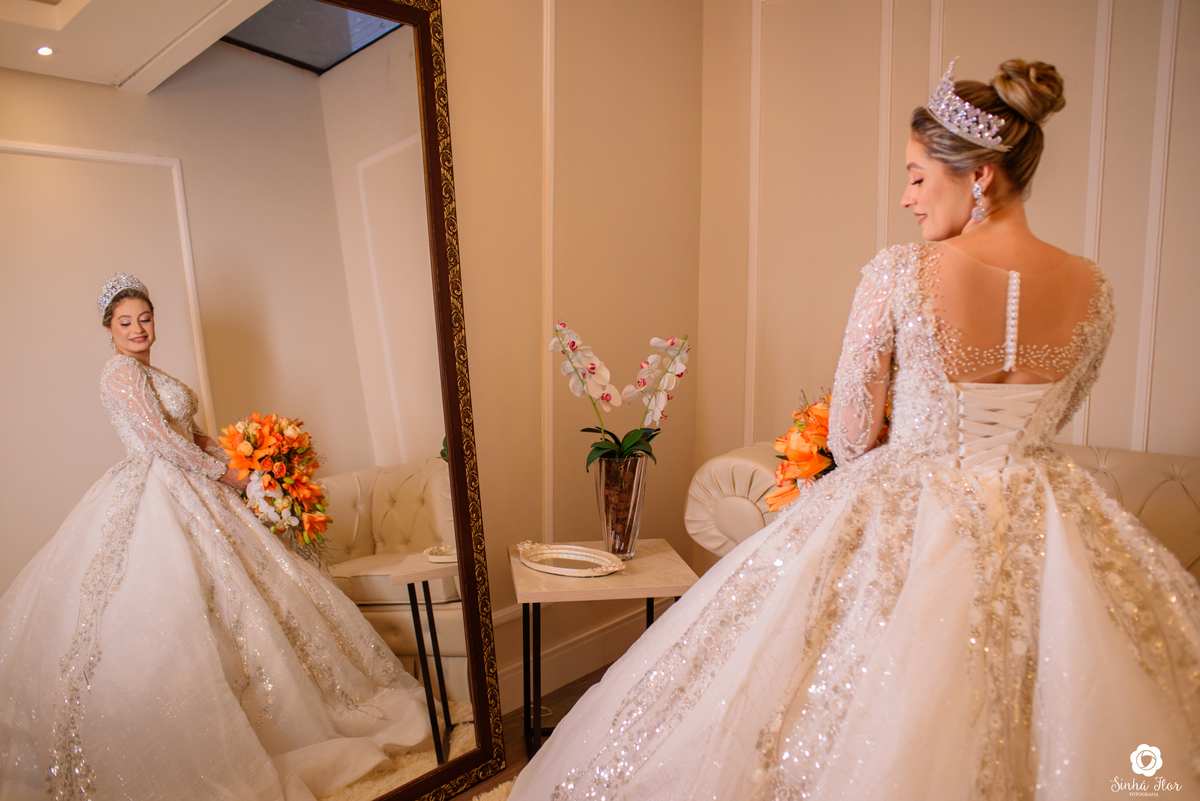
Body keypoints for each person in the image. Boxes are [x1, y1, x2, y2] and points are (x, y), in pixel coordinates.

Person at [508, 60, 1200, 800]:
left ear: (979, 176)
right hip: (1046, 514)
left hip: (911, 503)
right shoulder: (1094, 288)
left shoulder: (903, 272)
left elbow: (850, 437)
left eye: (916, 176)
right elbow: (1063, 408)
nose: (906, 197)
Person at [0, 274, 432, 800]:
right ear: (108, 330)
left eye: (144, 318)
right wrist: (228, 477)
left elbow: (191, 434)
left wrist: (250, 463)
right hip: (160, 486)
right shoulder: (120, 372)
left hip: (193, 479)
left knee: (247, 596)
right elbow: (161, 442)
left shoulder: (149, 371)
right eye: (125, 322)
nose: (137, 329)